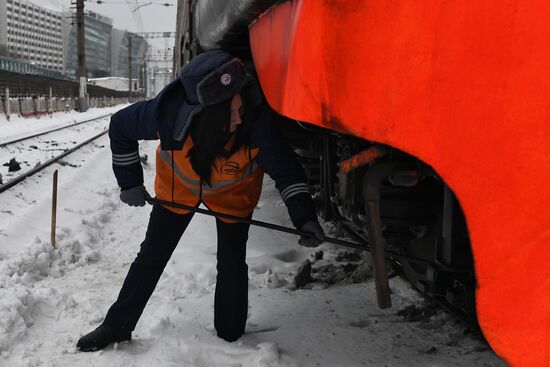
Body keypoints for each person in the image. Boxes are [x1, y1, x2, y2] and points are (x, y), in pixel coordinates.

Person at [76, 50, 325, 352]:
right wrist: (129, 182)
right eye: (229, 113)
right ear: (206, 113)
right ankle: (116, 326)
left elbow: (287, 171)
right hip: (177, 188)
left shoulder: (256, 123)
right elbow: (121, 126)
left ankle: (231, 334)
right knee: (151, 258)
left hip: (233, 196)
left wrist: (304, 217)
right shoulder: (166, 113)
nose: (238, 119)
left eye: (240, 109)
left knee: (232, 262)